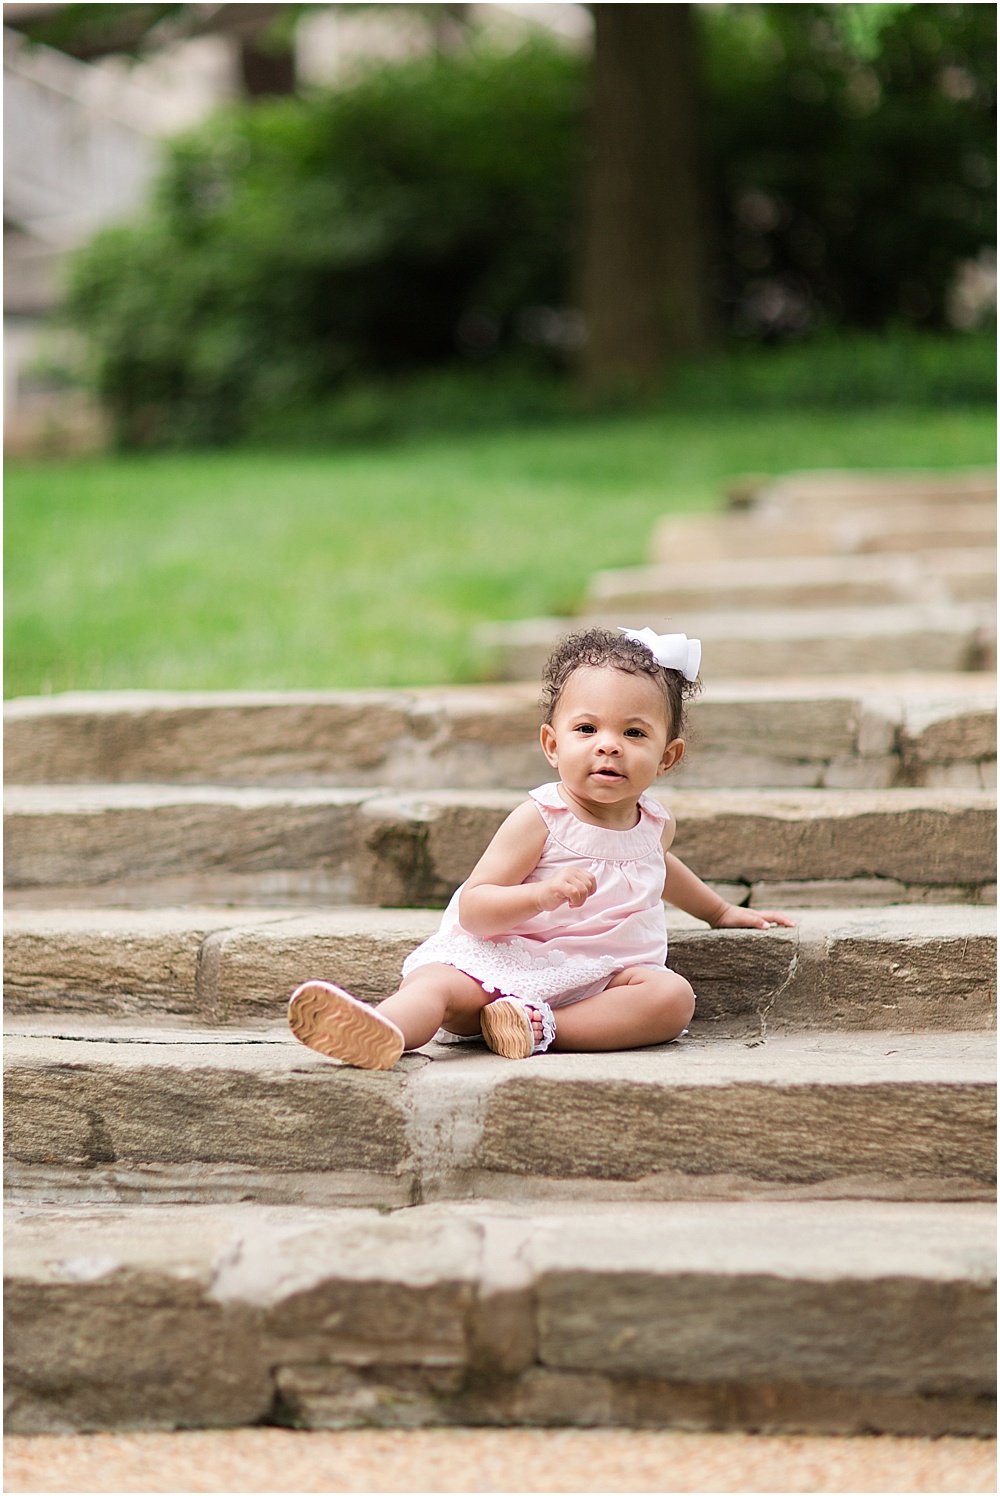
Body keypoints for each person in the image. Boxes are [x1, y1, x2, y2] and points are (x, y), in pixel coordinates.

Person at [287, 625, 794, 1069]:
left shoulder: (656, 825)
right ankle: (379, 1030)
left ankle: (539, 1028)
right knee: (435, 986)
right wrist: (541, 895)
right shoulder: (541, 819)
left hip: (600, 983)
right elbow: (475, 910)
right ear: (553, 745)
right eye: (587, 729)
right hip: (499, 971)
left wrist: (719, 911)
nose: (608, 744)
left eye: (634, 732)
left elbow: (661, 868)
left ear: (668, 757)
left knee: (672, 998)